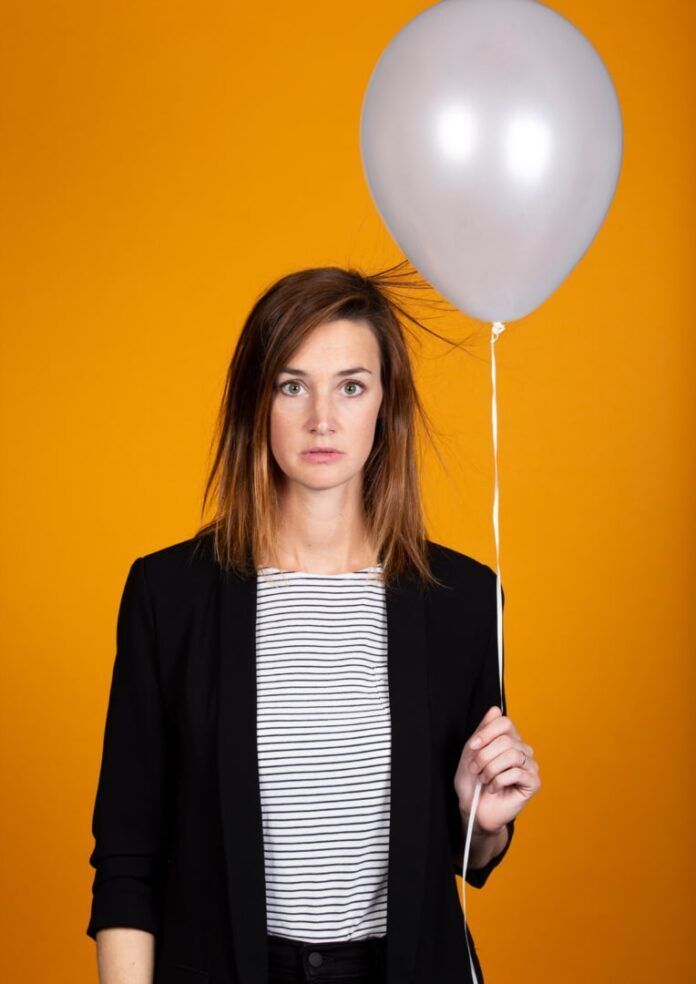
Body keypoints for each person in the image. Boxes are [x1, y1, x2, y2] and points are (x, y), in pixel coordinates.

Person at [86, 262, 541, 984]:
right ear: (255, 402)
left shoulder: (462, 598)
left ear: (386, 404)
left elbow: (471, 857)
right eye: (292, 386)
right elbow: (128, 857)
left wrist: (483, 822)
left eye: (351, 386)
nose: (322, 419)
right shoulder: (169, 595)